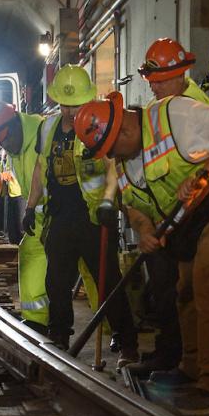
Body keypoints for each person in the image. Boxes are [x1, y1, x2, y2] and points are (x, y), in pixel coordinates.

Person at [73, 89, 209, 414]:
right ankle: (192, 371)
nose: (111, 157)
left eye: (111, 148)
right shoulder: (122, 163)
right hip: (193, 221)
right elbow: (134, 206)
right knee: (186, 291)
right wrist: (145, 229)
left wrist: (204, 174)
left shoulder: (173, 114)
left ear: (124, 130)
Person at [24, 64, 139, 367]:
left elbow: (114, 165)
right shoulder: (47, 127)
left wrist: (107, 202)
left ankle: (128, 343)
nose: (70, 111)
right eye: (65, 104)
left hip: (92, 218)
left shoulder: (97, 123)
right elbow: (40, 167)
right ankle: (59, 335)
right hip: (60, 217)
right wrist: (30, 205)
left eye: (75, 104)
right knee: (56, 282)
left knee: (108, 282)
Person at [0, 102, 48, 333]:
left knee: (92, 270)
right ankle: (37, 320)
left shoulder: (43, 132)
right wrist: (30, 210)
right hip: (40, 216)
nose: (5, 146)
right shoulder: (15, 146)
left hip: (71, 213)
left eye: (4, 138)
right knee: (29, 254)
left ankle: (117, 328)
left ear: (15, 123)